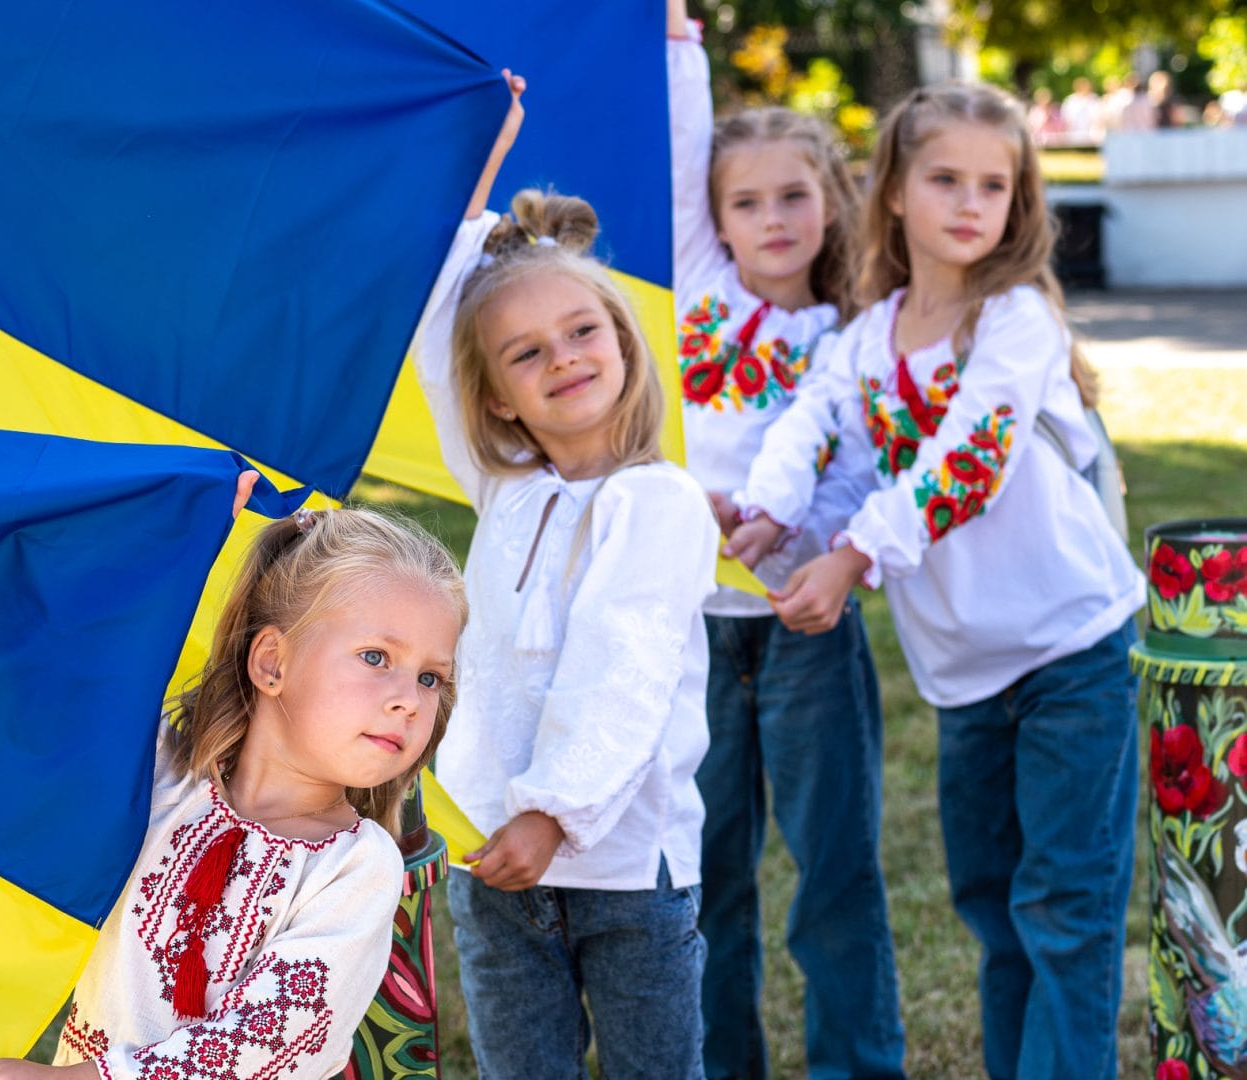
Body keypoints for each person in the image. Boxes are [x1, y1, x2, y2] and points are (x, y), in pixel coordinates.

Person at [730, 82, 1144, 1079]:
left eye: (993, 184)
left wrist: (852, 556)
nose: (970, 202)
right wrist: (774, 507)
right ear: (894, 196)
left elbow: (969, 459)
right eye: (945, 178)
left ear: (1017, 202)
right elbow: (809, 426)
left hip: (1072, 655)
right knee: (997, 915)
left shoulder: (1015, 323)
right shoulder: (863, 342)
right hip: (963, 679)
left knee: (1065, 914)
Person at [414, 73, 719, 1080]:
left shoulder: (659, 501)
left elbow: (620, 670)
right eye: (526, 354)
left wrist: (556, 812)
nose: (563, 359)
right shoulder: (507, 492)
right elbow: (435, 330)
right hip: (496, 868)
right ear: (495, 402)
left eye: (583, 331)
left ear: (623, 341)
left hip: (629, 874)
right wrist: (475, 173)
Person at [0, 500, 468, 1080]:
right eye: (376, 657)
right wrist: (164, 537)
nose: (410, 697)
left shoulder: (355, 868)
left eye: (431, 677)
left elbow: (273, 1039)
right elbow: (67, 670)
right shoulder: (160, 777)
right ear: (273, 662)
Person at [664, 4, 906, 1078]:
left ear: (831, 201)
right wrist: (678, 41)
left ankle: (860, 1062)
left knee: (834, 870)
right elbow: (677, 155)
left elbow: (866, 475)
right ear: (716, 217)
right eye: (745, 201)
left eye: (793, 196)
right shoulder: (697, 291)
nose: (771, 218)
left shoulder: (860, 333)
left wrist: (825, 546)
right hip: (693, 633)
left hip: (808, 629)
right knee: (707, 875)